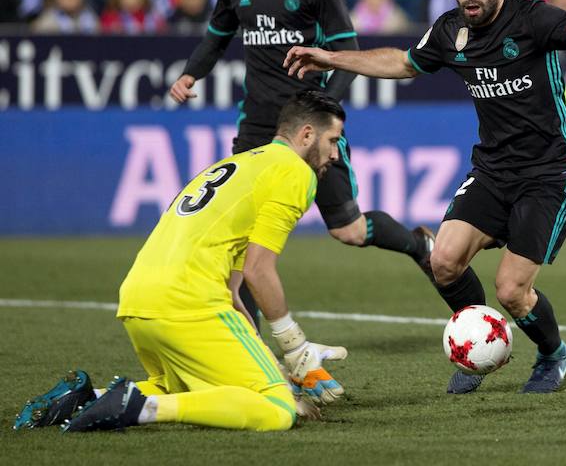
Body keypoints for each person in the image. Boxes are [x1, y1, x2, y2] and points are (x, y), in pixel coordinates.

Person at [284, 0, 566, 395]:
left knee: (511, 290)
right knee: (443, 262)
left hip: (548, 173)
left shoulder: (534, 19)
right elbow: (405, 64)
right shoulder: (449, 31)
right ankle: (476, 344)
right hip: (492, 170)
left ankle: (553, 355)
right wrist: (331, 57)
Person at [168, 0, 434, 326]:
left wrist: (324, 107)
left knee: (348, 230)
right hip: (256, 128)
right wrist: (190, 73)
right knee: (243, 250)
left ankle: (417, 245)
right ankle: (250, 350)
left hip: (309, 130)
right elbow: (215, 38)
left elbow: (348, 55)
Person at [15, 91, 350, 432]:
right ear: (306, 134)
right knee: (277, 410)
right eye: (332, 140)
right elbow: (259, 269)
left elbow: (235, 290)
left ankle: (86, 398)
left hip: (138, 299)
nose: (336, 154)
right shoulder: (295, 171)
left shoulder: (240, 164)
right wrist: (294, 348)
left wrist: (268, 363)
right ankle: (142, 408)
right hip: (189, 301)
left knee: (188, 386)